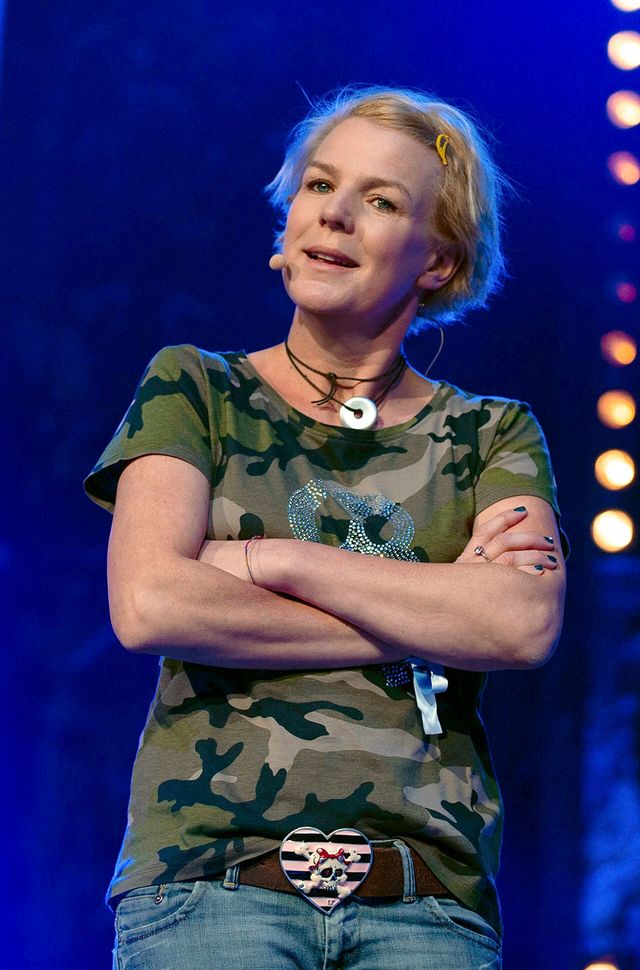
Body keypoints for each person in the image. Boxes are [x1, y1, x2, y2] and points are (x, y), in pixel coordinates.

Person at [85, 85, 567, 970]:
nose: (335, 214)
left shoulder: (491, 433)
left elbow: (520, 624)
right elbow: (150, 603)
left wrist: (269, 560)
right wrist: (435, 610)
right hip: (210, 887)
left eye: (380, 201)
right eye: (318, 185)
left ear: (438, 261)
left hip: (425, 899)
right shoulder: (195, 387)